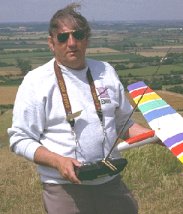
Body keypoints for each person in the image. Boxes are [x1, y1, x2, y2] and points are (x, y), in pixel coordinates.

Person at [8, 3, 151, 214]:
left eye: (78, 35)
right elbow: (19, 138)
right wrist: (58, 162)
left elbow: (122, 123)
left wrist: (159, 136)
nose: (72, 43)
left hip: (109, 178)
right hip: (64, 186)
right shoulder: (36, 82)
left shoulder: (106, 71)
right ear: (51, 42)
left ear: (87, 38)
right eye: (63, 37)